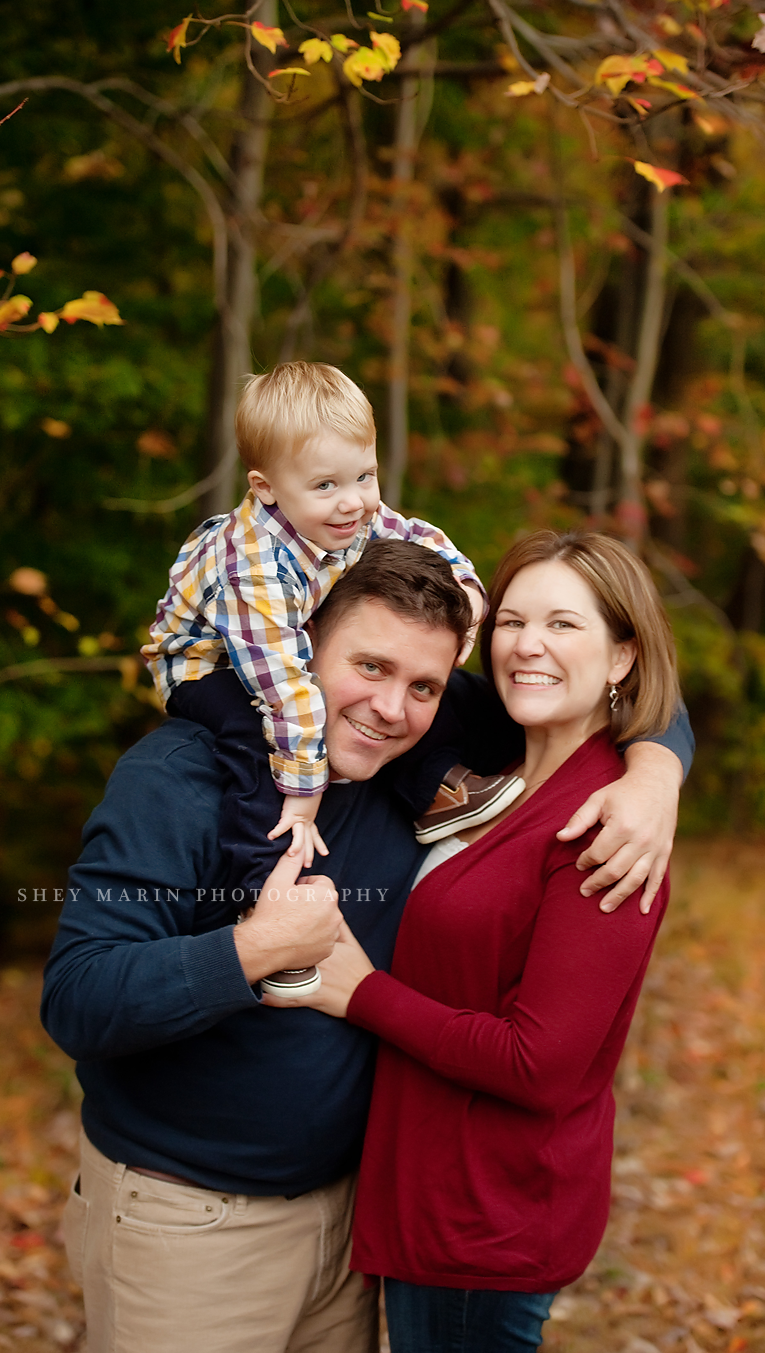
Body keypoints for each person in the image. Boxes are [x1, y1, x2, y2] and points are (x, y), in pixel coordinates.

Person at [41, 538, 691, 1353]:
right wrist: (249, 949)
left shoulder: (417, 755)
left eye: (425, 685)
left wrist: (654, 773)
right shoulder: (180, 777)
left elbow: (610, 681)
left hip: (354, 1228)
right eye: (370, 668)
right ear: (300, 645)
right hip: (193, 1225)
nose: (391, 707)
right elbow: (78, 995)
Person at [267, 530, 682, 1353]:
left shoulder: (606, 825)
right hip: (430, 1193)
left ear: (621, 657)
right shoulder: (496, 775)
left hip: (485, 1220)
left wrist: (359, 991)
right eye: (513, 621)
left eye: (564, 624)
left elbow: (540, 1061)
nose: (528, 643)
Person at [141, 365, 525, 996]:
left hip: (282, 658)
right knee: (252, 746)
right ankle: (267, 894)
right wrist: (302, 792)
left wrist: (468, 594)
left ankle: (436, 788)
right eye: (326, 484)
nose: (353, 501)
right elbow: (287, 690)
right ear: (266, 488)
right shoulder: (255, 571)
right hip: (210, 667)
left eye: (364, 476)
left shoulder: (344, 513)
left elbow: (420, 536)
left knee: (391, 704)